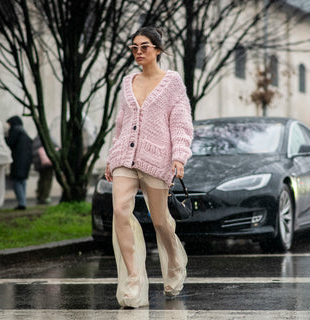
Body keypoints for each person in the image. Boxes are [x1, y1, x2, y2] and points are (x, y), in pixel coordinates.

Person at [105, 27, 193, 308]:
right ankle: (133, 280)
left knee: (160, 221)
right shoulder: (127, 81)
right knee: (120, 212)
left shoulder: (172, 83)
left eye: (144, 46)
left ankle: (175, 261)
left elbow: (180, 122)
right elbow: (121, 123)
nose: (138, 52)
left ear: (157, 49)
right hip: (124, 159)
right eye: (134, 47)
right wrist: (111, 157)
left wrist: (179, 156)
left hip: (158, 159)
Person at [6, 116, 33, 210]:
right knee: (22, 180)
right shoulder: (23, 132)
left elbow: (9, 142)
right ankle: (23, 202)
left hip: (18, 160)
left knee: (16, 181)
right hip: (26, 160)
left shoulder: (15, 131)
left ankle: (22, 203)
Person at [32, 134, 58, 204]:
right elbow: (56, 146)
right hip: (47, 161)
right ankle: (45, 197)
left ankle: (40, 195)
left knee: (42, 179)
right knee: (47, 179)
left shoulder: (36, 139)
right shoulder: (48, 136)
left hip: (39, 163)